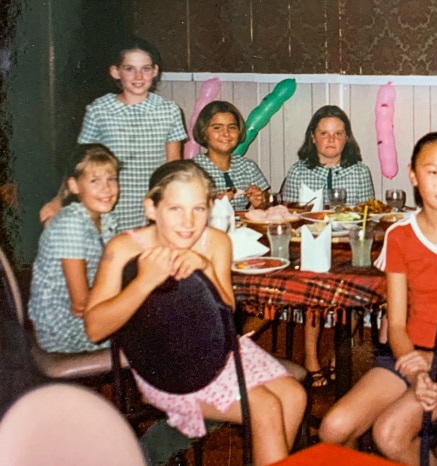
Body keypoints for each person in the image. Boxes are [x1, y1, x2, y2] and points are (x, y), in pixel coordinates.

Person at [83, 160, 306, 466]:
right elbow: (95, 329)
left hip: (219, 349)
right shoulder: (123, 248)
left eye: (199, 209)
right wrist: (144, 281)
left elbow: (227, 312)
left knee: (295, 396)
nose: (188, 222)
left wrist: (207, 269)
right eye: (176, 209)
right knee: (265, 408)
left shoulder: (216, 241)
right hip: (163, 366)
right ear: (151, 208)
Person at [318, 132, 437, 464]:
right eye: (432, 172)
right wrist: (417, 373)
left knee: (389, 434)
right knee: (333, 429)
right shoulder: (400, 235)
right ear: (413, 174)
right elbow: (396, 324)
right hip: (408, 355)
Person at [40, 36, 187, 231]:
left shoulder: (169, 110)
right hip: (110, 205)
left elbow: (173, 166)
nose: (139, 76)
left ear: (155, 71)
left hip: (153, 206)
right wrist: (59, 199)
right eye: (129, 69)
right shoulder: (99, 110)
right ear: (115, 72)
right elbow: (80, 162)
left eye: (145, 68)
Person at [282, 105, 375, 387]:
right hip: (310, 243)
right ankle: (311, 358)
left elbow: (367, 215)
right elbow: (289, 214)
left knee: (359, 285)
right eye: (324, 133)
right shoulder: (299, 171)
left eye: (338, 133)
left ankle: (338, 355)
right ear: (313, 137)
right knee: (314, 284)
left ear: (347, 138)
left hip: (347, 246)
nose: (331, 139)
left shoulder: (359, 171)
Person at [28, 144, 119, 353]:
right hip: (63, 329)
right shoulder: (71, 224)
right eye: (94, 180)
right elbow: (80, 305)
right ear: (74, 186)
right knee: (152, 330)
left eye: (111, 179)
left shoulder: (105, 220)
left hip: (87, 314)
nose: (106, 188)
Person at [192, 100, 269, 210]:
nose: (226, 133)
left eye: (232, 127)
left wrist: (260, 203)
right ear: (204, 132)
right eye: (217, 127)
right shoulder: (192, 170)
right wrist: (214, 205)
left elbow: (267, 207)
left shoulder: (248, 167)